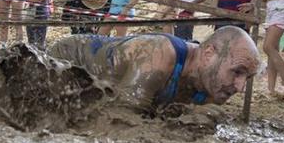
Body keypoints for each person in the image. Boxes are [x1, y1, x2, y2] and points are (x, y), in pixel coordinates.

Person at [47, 26, 260, 110]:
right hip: (70, 56)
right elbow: (122, 117)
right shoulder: (160, 55)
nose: (240, 87)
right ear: (208, 55)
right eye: (237, 72)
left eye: (247, 78)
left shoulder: (212, 88)